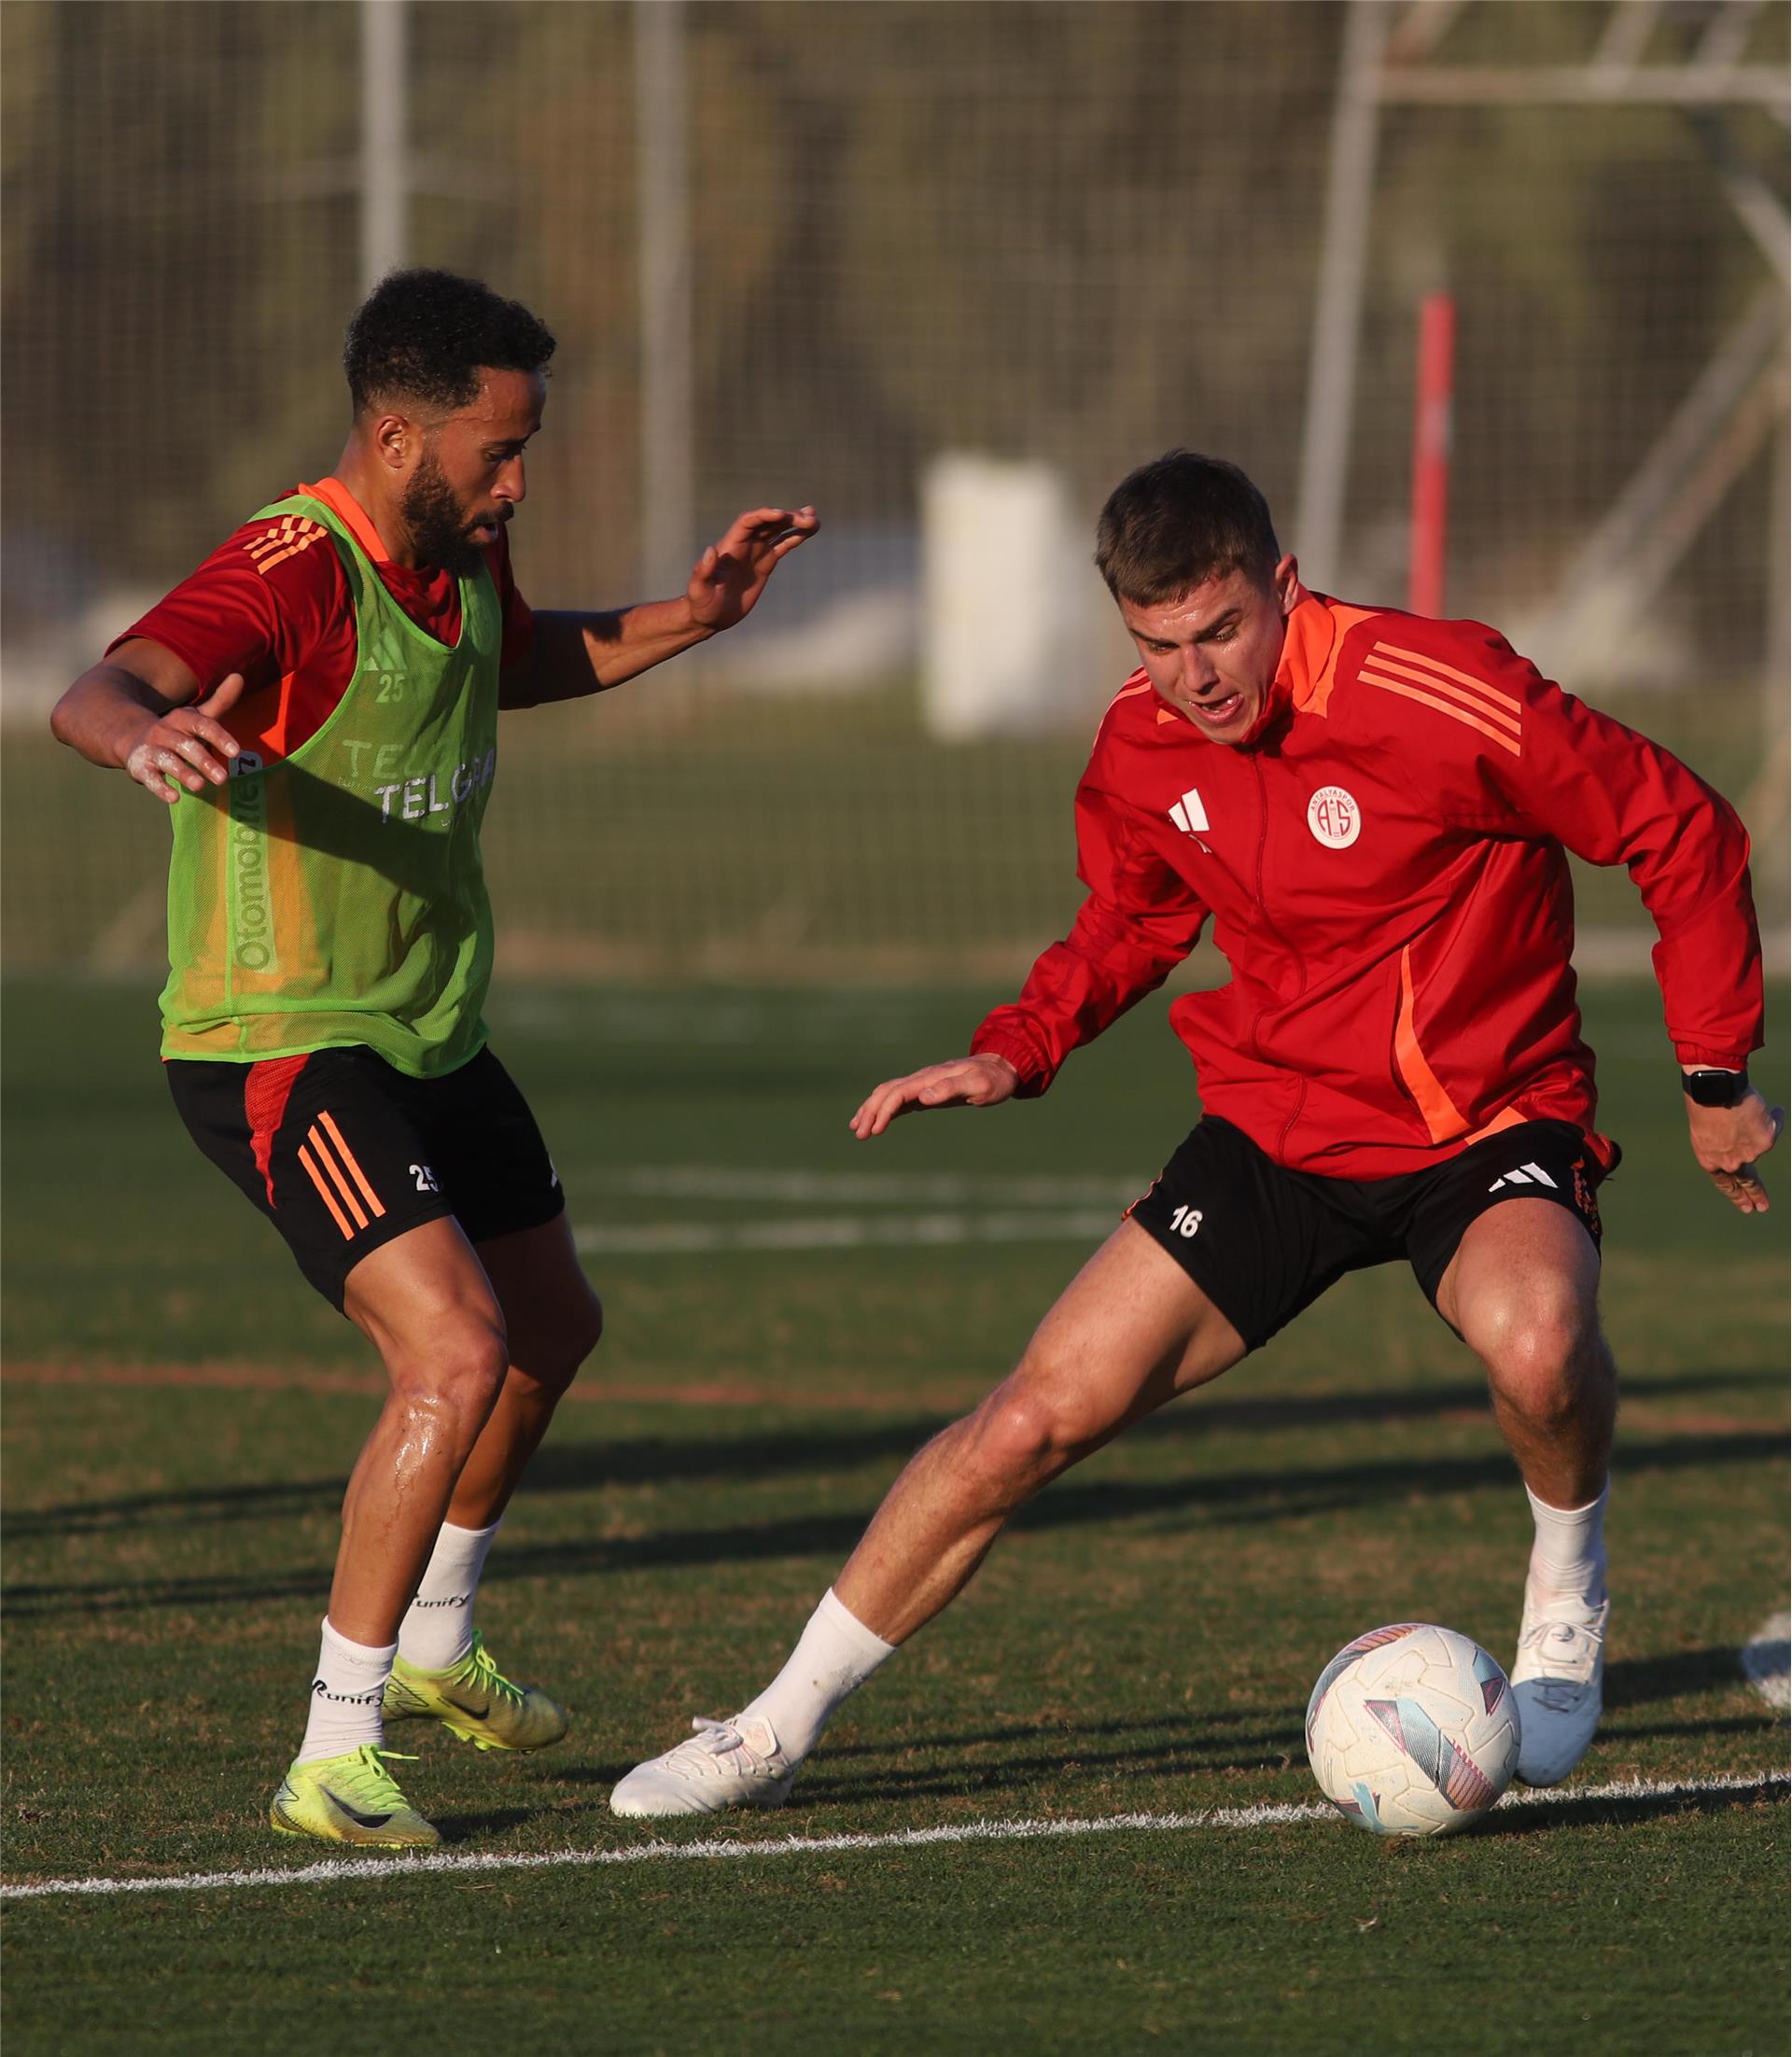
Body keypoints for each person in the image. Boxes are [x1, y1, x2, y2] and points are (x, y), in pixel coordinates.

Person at [610, 449, 1777, 1819]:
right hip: (1279, 1134)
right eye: (1157, 645)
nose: (1195, 676)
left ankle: (1566, 1595)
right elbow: (1132, 919)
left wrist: (1713, 1075)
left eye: (1220, 630)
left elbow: (1677, 827)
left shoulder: (1434, 686)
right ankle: (769, 1728)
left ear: (1283, 585)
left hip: (1486, 1120)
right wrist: (1018, 1046)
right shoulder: (1143, 738)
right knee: (1028, 1420)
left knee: (1540, 1346)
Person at [50, 268, 818, 1851]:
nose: (517, 483)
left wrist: (696, 617)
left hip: (427, 1025)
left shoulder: (462, 546)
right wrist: (141, 734)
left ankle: (437, 1640)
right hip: (281, 1042)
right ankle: (332, 1752)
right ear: (399, 438)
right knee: (454, 1355)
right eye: (498, 452)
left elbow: (512, 659)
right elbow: (102, 685)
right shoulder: (289, 570)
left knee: (551, 1331)